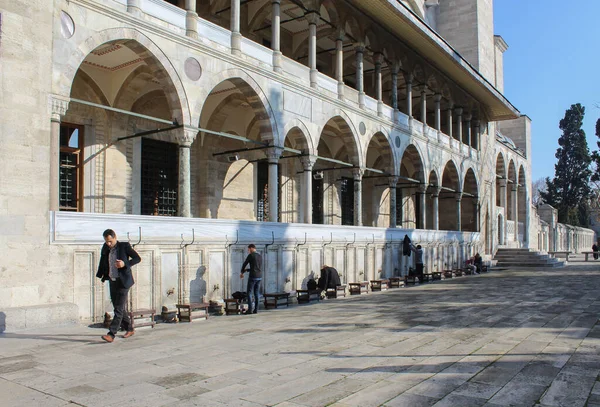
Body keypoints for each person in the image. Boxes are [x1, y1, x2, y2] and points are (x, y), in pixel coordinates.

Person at [96, 229, 141, 343]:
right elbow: (103, 261)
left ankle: (111, 334)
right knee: (118, 306)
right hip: (112, 280)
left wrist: (124, 264)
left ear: (115, 237)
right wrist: (100, 274)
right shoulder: (105, 248)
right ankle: (130, 328)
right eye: (106, 241)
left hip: (124, 282)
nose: (108, 244)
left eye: (110, 241)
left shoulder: (124, 246)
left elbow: (137, 258)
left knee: (118, 309)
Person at [240, 244, 263, 314]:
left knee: (249, 293)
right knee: (256, 293)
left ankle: (250, 310)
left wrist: (242, 272)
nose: (248, 251)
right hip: (259, 276)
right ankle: (256, 309)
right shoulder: (259, 256)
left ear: (252, 248)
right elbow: (256, 267)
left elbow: (245, 263)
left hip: (253, 276)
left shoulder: (251, 255)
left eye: (249, 249)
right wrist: (247, 270)